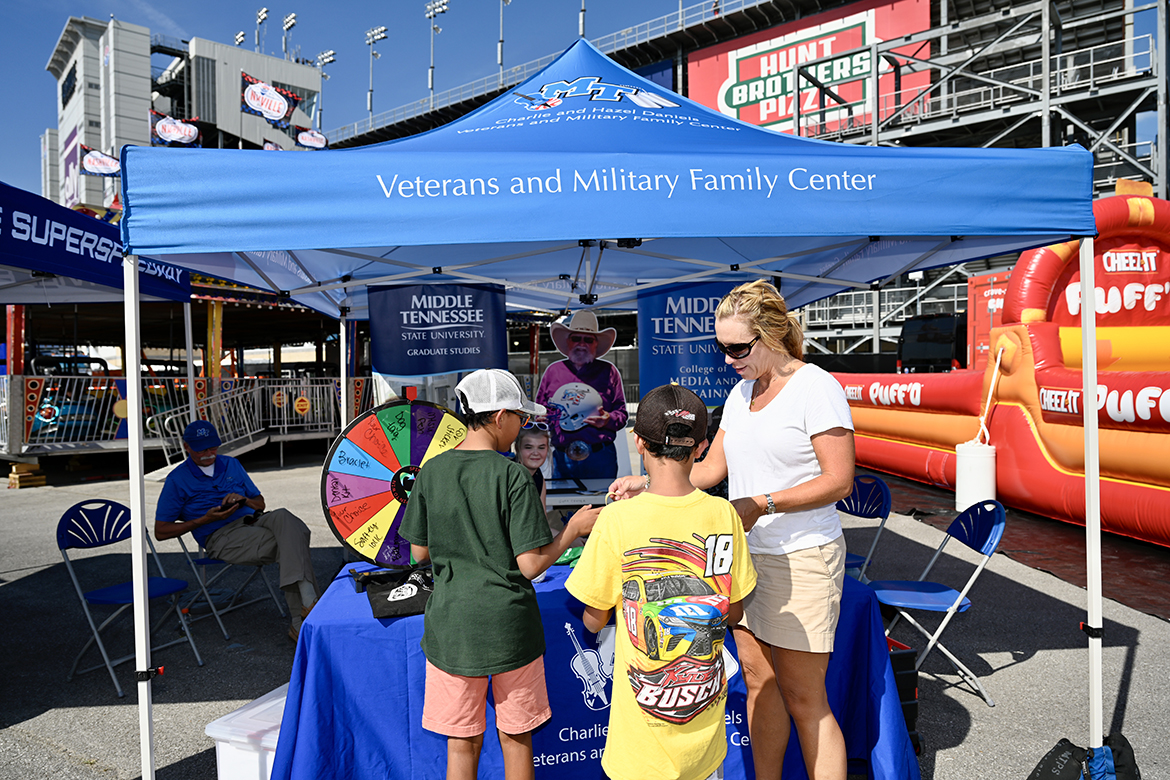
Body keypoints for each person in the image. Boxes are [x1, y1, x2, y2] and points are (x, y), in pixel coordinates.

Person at [609, 280, 855, 780]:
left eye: (738, 348)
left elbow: (839, 480)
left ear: (772, 336)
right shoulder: (742, 392)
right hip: (743, 559)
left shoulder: (817, 387)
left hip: (801, 556)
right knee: (761, 686)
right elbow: (708, 470)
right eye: (721, 348)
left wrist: (762, 503)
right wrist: (648, 480)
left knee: (806, 700)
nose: (727, 359)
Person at [399, 368, 602, 780]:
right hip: (509, 625)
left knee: (462, 740)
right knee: (516, 736)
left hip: (452, 626)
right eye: (520, 419)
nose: (522, 427)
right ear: (499, 417)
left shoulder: (431, 472)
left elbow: (418, 551)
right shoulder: (511, 475)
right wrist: (572, 532)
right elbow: (530, 565)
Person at [568, 383, 756, 780]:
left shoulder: (617, 520)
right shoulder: (724, 516)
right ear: (701, 447)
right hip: (706, 744)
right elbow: (734, 609)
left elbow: (592, 619)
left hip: (640, 751)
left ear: (638, 443)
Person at [154, 421, 320, 642]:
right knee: (293, 539)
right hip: (220, 536)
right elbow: (161, 531)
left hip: (252, 521)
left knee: (284, 517)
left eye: (212, 447)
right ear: (186, 446)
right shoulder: (177, 479)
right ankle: (307, 610)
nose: (208, 453)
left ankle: (304, 616)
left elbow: (260, 504)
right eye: (201, 449)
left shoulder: (231, 464)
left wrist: (244, 500)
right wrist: (204, 519)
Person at [536, 309, 628, 480]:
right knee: (563, 506)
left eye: (588, 340)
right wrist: (542, 419)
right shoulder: (553, 372)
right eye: (576, 338)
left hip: (600, 456)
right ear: (568, 342)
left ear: (596, 344)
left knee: (603, 505)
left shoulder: (609, 371)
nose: (581, 343)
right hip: (563, 457)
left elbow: (622, 414)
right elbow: (541, 411)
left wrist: (608, 419)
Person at [513, 424, 551, 508]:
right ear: (517, 448)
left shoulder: (539, 476)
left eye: (541, 448)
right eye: (528, 447)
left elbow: (542, 517)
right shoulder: (510, 476)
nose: (536, 453)